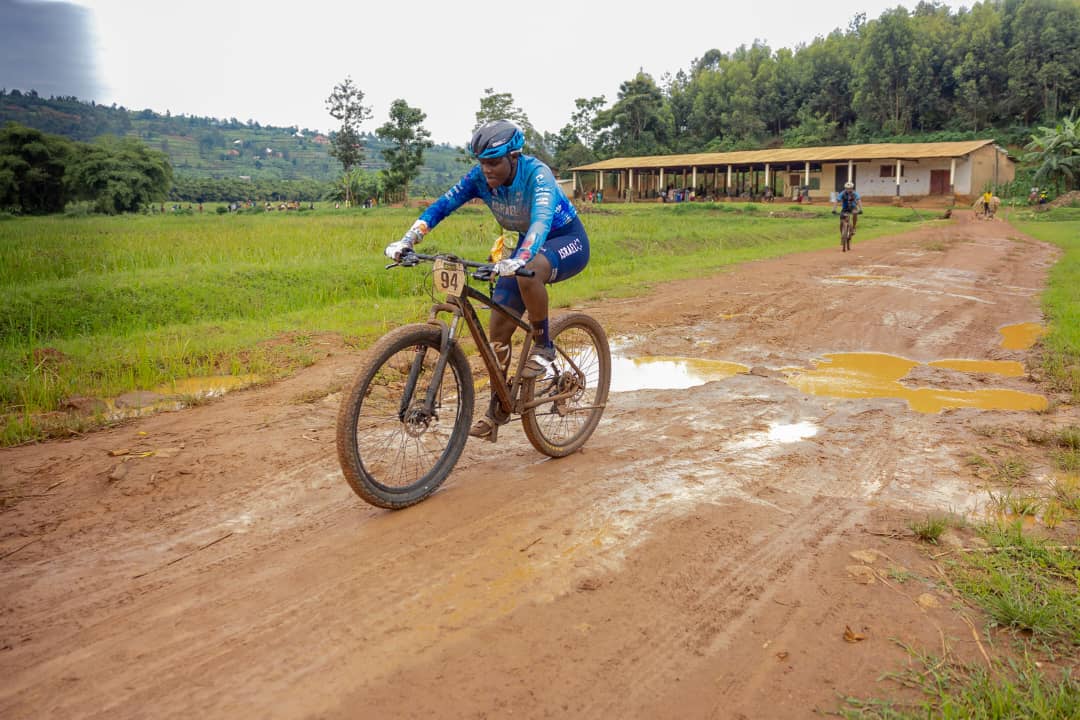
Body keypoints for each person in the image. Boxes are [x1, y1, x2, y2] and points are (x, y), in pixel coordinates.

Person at [384, 120, 590, 442]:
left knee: (530, 270)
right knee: (498, 333)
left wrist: (520, 258)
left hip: (565, 240)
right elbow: (443, 205)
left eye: (494, 162)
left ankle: (544, 345)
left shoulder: (537, 175)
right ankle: (498, 408)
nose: (487, 169)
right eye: (482, 162)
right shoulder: (480, 178)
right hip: (526, 246)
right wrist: (408, 239)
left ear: (513, 157)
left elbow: (540, 222)